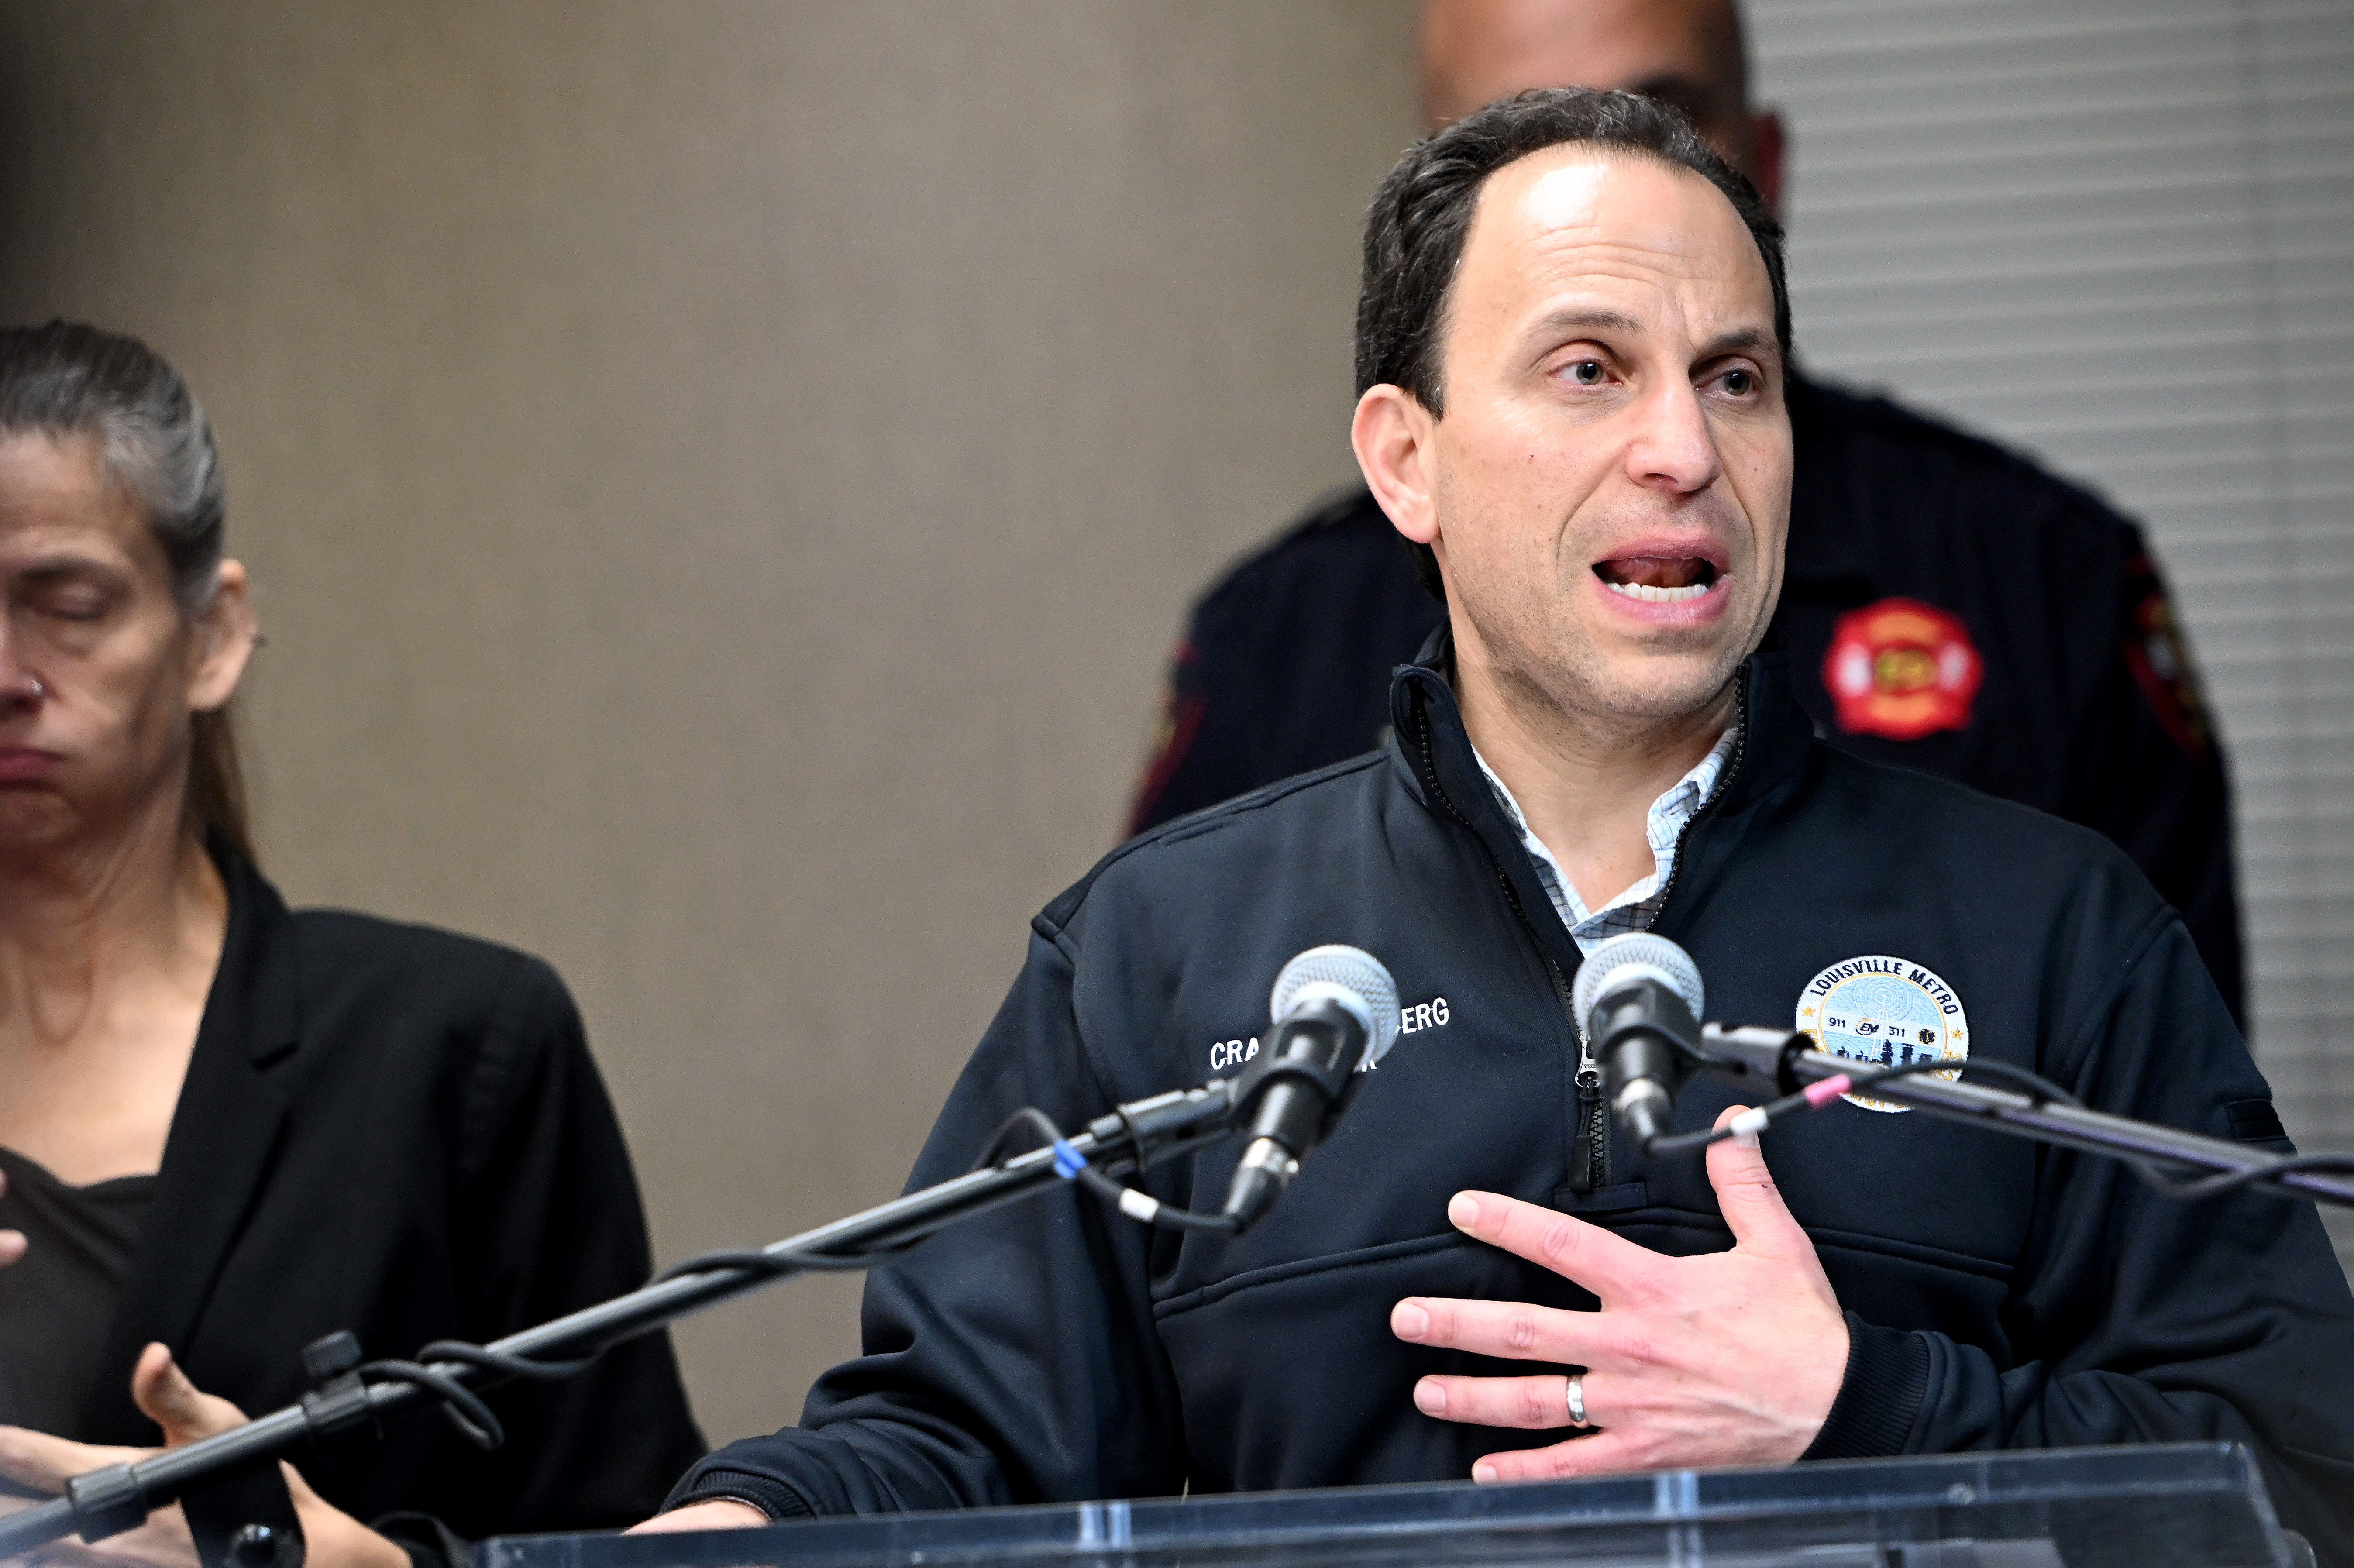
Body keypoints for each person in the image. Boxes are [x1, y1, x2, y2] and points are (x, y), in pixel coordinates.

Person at [641, 91, 2353, 1555]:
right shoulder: (1159, 955)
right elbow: (961, 1451)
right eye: (1590, 370)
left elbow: (2297, 1480)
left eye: (1736, 378)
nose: (1683, 445)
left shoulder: (2051, 928)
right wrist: (719, 1533)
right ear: (1409, 461)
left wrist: (1863, 1403)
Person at [1128, 0, 2246, 1030]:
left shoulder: (2041, 578)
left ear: (1762, 164)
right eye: (1517, 136)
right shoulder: (1273, 642)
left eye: (1658, 120)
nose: (1676, 453)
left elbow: (2165, 1176)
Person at [0, 322, 703, 1567]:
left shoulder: (457, 1051)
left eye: (65, 606)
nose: (7, 671)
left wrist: (363, 1566)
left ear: (212, 636)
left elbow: (630, 1543)